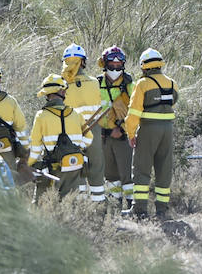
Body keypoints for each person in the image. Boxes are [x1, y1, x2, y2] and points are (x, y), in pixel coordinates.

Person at [124, 48, 177, 218]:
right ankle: (162, 209)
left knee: (141, 168)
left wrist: (131, 134)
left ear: (144, 66)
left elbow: (133, 112)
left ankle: (139, 210)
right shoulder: (171, 83)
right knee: (164, 168)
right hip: (168, 130)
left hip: (148, 129)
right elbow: (173, 101)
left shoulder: (143, 84)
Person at [28, 74, 92, 202]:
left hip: (52, 168)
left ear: (47, 95)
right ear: (62, 91)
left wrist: (29, 164)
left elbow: (35, 147)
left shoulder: (41, 116)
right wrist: (76, 148)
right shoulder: (76, 114)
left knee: (43, 203)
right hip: (74, 166)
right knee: (70, 203)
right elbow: (89, 139)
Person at [60, 43, 106, 204]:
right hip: (93, 129)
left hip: (69, 132)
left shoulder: (60, 85)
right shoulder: (94, 82)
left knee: (74, 166)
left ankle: (79, 204)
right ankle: (98, 203)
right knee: (96, 166)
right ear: (83, 62)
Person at [96, 45, 134, 213]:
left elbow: (135, 111)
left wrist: (122, 129)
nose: (115, 67)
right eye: (112, 63)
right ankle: (115, 206)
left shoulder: (128, 84)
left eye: (119, 64)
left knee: (127, 173)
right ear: (105, 64)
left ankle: (133, 206)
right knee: (110, 175)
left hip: (122, 137)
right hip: (103, 137)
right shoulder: (96, 84)